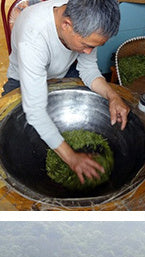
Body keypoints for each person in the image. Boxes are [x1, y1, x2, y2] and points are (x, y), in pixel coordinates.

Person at [4, 0, 128, 183]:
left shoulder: (85, 18)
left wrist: (113, 96)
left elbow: (88, 69)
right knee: (18, 138)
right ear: (66, 25)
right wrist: (72, 158)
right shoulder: (32, 38)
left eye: (94, 46)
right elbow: (36, 112)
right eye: (87, 45)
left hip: (62, 72)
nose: (88, 52)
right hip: (23, 81)